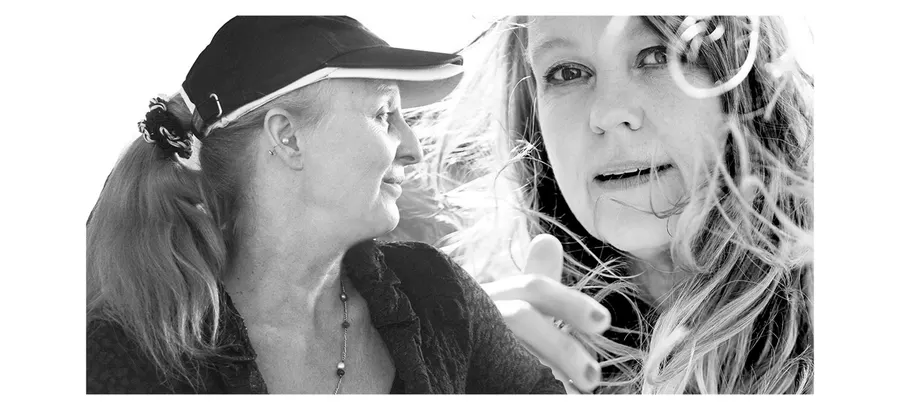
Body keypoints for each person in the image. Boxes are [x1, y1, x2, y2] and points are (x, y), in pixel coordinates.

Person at [86, 16, 564, 394]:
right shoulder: (123, 355)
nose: (413, 147)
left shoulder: (440, 297)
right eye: (384, 114)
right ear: (288, 137)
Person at [416, 16, 814, 394]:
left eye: (658, 54)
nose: (607, 113)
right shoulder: (481, 352)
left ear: (747, 83)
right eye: (567, 73)